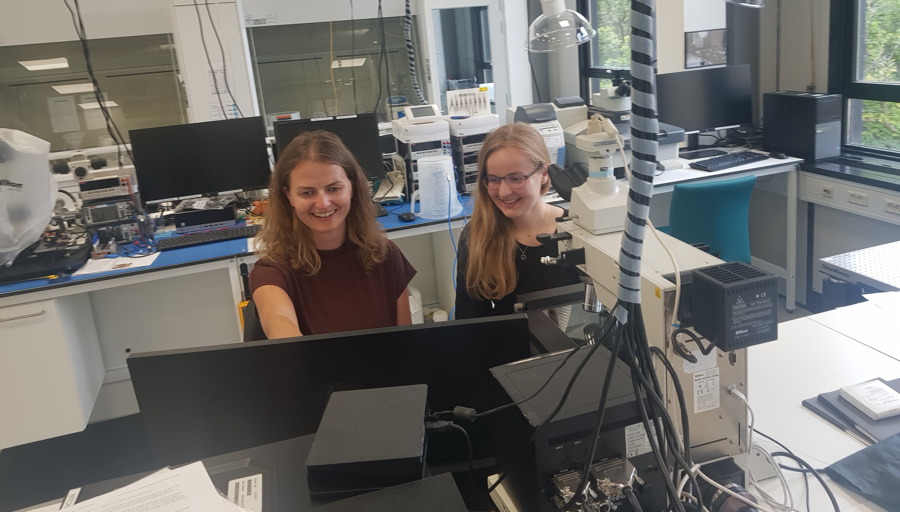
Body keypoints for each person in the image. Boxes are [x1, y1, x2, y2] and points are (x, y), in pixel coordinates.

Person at [250, 131, 416, 339]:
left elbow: (405, 346)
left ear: (352, 188)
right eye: (307, 192)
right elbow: (279, 325)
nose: (323, 203)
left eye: (333, 188)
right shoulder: (271, 271)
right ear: (288, 195)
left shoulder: (385, 255)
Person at [455, 123, 581, 319]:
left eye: (516, 178)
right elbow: (469, 322)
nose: (504, 192)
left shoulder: (576, 231)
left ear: (544, 173)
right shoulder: (476, 237)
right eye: (494, 180)